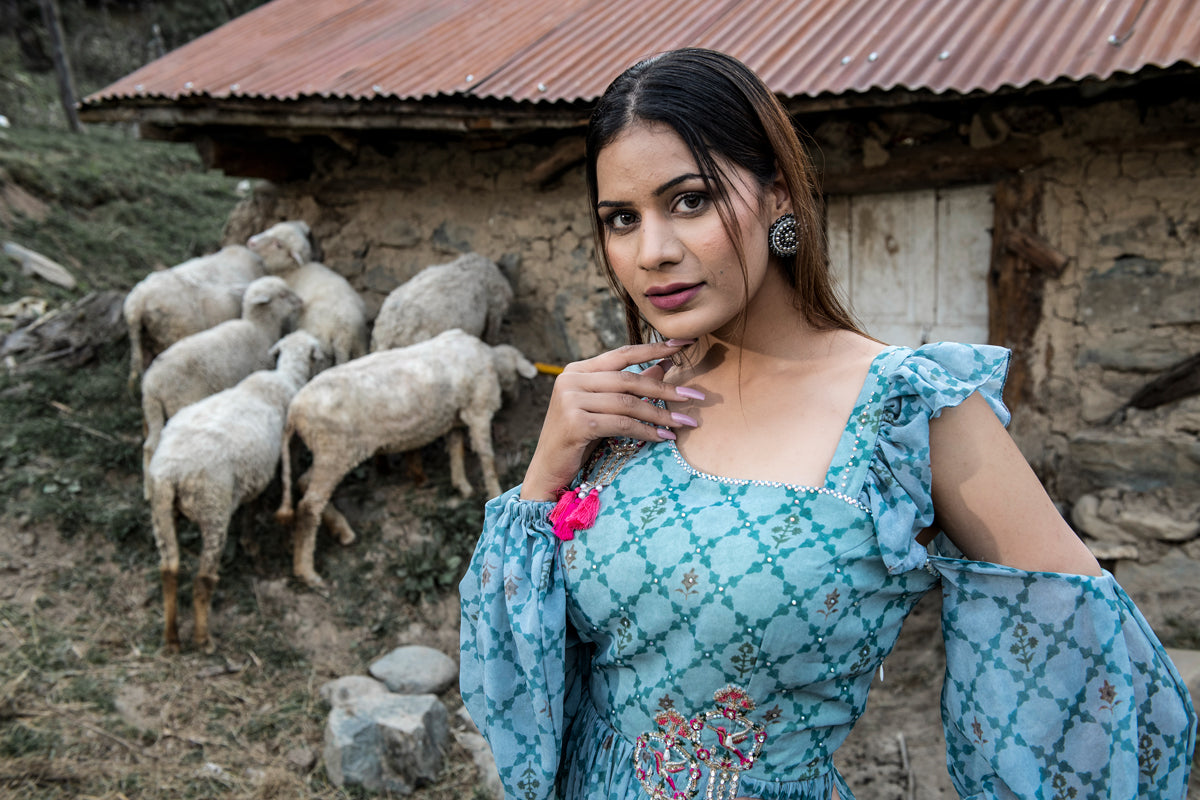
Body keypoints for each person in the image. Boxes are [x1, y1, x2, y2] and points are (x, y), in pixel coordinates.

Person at [459, 47, 1196, 800]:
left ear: (779, 196)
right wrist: (544, 479)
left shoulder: (906, 413)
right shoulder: (623, 405)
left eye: (690, 201)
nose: (653, 252)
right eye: (622, 218)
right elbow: (503, 684)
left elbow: (1084, 668)